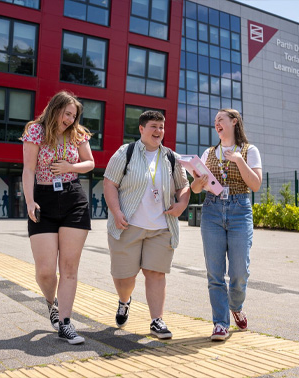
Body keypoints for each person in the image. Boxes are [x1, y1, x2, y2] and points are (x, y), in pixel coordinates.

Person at [103, 110, 190, 339]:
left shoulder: (171, 156)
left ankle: (156, 320)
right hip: (127, 225)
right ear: (141, 129)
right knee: (125, 279)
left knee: (156, 273)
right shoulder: (126, 152)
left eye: (161, 127)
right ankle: (124, 300)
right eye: (153, 126)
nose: (158, 131)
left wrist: (181, 204)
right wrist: (116, 211)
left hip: (161, 228)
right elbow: (110, 183)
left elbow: (183, 185)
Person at [21, 91, 94, 345]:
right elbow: (28, 169)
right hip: (43, 199)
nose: (70, 119)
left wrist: (70, 168)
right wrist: (30, 201)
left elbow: (90, 163)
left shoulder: (78, 134)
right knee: (45, 271)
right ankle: (51, 303)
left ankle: (65, 323)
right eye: (67, 114)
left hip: (73, 198)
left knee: (69, 268)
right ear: (55, 109)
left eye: (74, 116)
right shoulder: (35, 132)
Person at [190, 108, 262, 341]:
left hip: (240, 210)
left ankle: (236, 306)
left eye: (221, 119)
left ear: (234, 122)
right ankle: (220, 323)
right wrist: (198, 183)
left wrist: (239, 161)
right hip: (211, 210)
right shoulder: (209, 152)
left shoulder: (249, 151)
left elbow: (256, 185)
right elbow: (195, 189)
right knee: (215, 272)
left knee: (240, 271)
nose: (217, 124)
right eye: (215, 121)